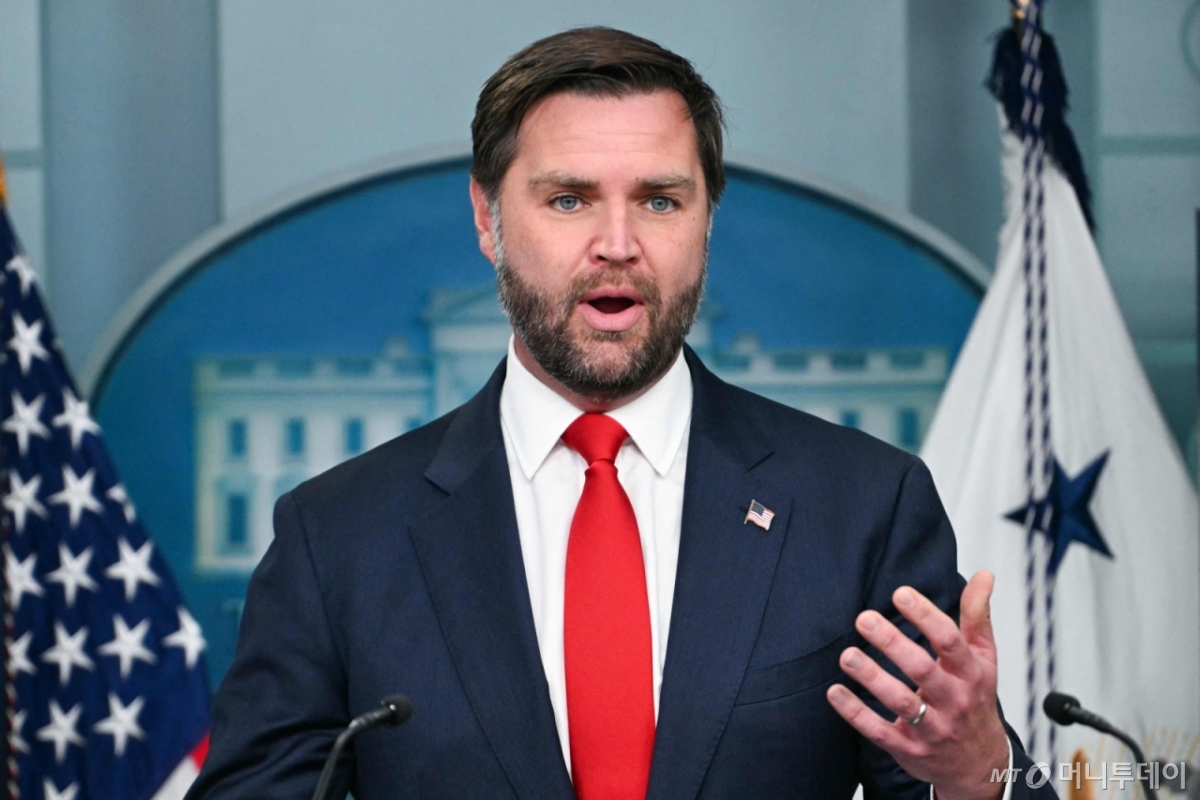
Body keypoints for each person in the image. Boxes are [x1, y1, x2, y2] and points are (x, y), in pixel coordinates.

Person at [187, 27, 1057, 800]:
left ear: (707, 220)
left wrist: (979, 774)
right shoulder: (338, 537)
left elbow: (953, 778)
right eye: (568, 199)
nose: (616, 244)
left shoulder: (861, 504)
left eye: (660, 200)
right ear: (488, 219)